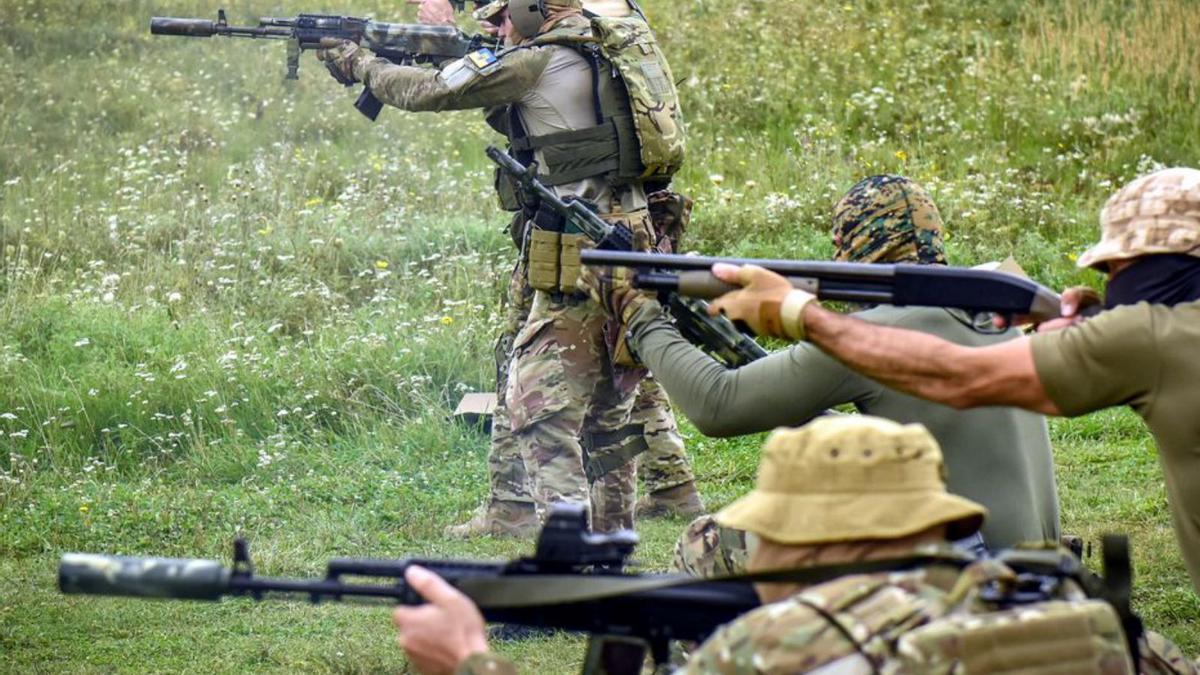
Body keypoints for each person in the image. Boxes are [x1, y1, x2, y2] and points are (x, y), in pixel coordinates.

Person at [704, 167, 1200, 595]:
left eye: (1117, 268)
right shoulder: (1161, 335)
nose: (1110, 284)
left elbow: (960, 378)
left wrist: (800, 315)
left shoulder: (1155, 336)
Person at [390, 415, 1197, 674]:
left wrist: (470, 658)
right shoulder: (1058, 602)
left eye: (769, 533)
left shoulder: (777, 646)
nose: (757, 551)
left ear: (817, 545)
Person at [318, 0, 687, 532]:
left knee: (538, 404)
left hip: (580, 249)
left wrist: (360, 64)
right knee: (609, 407)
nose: (500, 26)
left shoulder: (538, 60)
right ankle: (608, 546)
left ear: (536, 11)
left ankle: (573, 555)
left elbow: (431, 92)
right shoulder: (603, 48)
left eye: (506, 15)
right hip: (630, 235)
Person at [581, 174, 1061, 551]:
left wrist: (639, 316)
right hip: (1038, 570)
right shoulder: (995, 310)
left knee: (707, 545)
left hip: (964, 581)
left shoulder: (880, 330)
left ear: (853, 249)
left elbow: (717, 405)